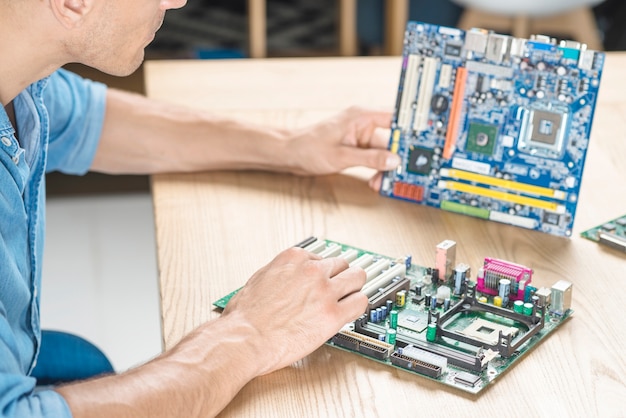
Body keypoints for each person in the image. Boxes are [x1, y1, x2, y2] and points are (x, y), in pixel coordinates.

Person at [0, 0, 401, 416]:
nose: (177, 0)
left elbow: (86, 121)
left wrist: (288, 147)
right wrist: (247, 335)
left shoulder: (20, 65)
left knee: (84, 364)